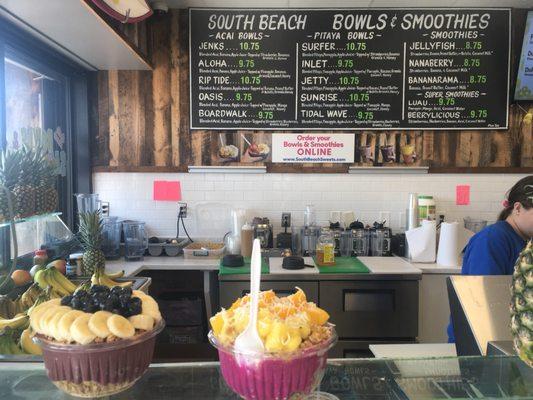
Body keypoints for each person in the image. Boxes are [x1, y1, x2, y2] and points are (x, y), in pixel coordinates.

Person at [447, 176, 533, 343]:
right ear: (517, 208)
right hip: (482, 345)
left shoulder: (525, 241)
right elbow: (485, 302)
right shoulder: (492, 240)